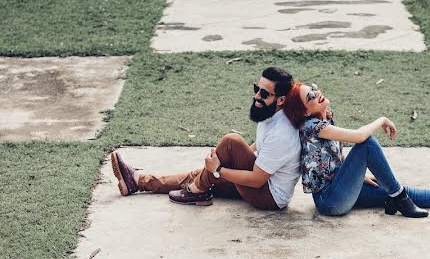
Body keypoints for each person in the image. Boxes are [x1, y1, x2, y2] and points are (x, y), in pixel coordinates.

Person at [281, 83, 430, 218]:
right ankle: (399, 198)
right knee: (367, 144)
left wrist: (355, 176)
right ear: (306, 112)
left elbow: (330, 159)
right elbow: (360, 137)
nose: (316, 93)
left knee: (403, 190)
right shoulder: (312, 126)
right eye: (310, 96)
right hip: (330, 202)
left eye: (313, 88)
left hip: (340, 189)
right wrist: (382, 119)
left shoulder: (325, 118)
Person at [110, 67, 304, 211]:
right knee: (202, 172)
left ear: (281, 100)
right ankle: (137, 181)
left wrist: (219, 169)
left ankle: (197, 191)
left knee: (231, 142)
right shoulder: (272, 115)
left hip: (267, 196)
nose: (256, 96)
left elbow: (255, 180)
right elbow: (259, 147)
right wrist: (222, 165)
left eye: (264, 93)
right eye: (256, 89)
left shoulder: (281, 134)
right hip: (261, 183)